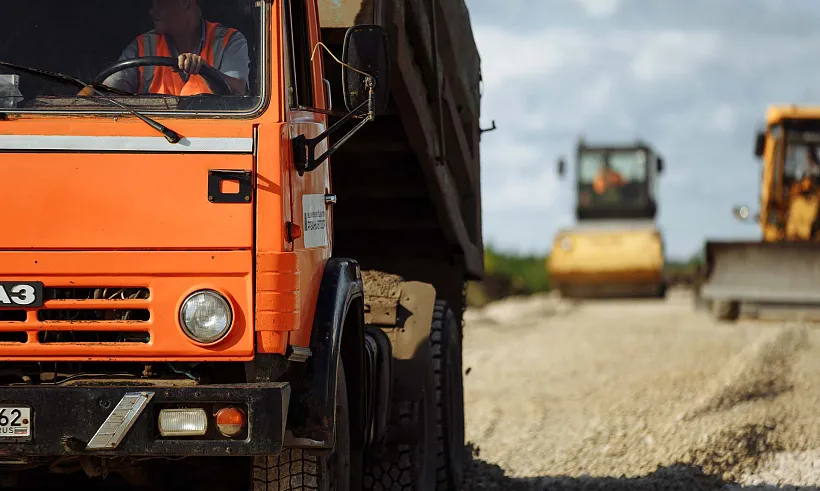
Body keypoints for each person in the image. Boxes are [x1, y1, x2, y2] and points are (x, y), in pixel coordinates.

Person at [101, 0, 251, 96]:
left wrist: (206, 71)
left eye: (159, 3)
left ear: (186, 3)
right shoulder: (142, 45)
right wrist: (83, 99)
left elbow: (238, 92)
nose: (152, 11)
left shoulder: (229, 40)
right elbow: (104, 92)